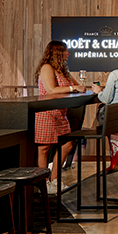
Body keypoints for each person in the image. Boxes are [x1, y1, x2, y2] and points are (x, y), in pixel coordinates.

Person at [34, 41, 85, 193]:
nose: (68, 54)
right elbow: (51, 90)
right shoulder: (47, 67)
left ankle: (54, 180)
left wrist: (77, 87)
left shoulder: (62, 70)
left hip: (61, 113)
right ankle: (43, 184)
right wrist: (73, 88)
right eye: (65, 51)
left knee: (67, 144)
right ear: (57, 52)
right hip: (47, 112)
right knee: (44, 148)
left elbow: (77, 86)